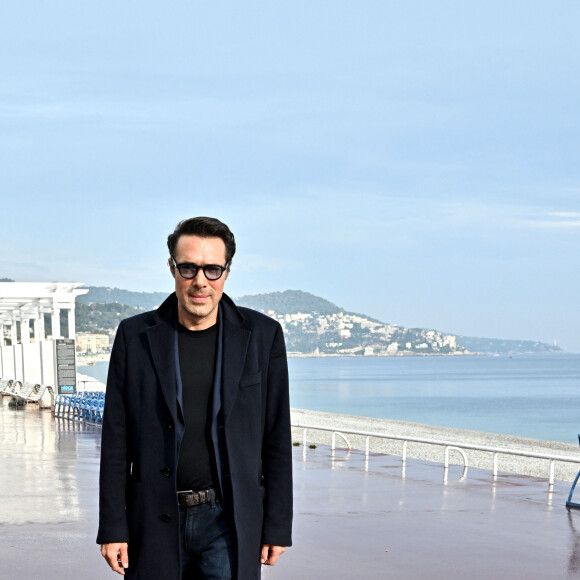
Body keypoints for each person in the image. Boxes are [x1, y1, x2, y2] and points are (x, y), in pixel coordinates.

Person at [97, 217, 293, 579]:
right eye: (189, 268)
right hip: (154, 518)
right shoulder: (134, 336)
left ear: (227, 272)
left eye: (212, 269)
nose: (200, 281)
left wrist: (277, 524)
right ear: (172, 267)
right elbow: (115, 441)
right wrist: (112, 526)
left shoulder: (263, 337)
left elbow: (276, 436)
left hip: (229, 519)